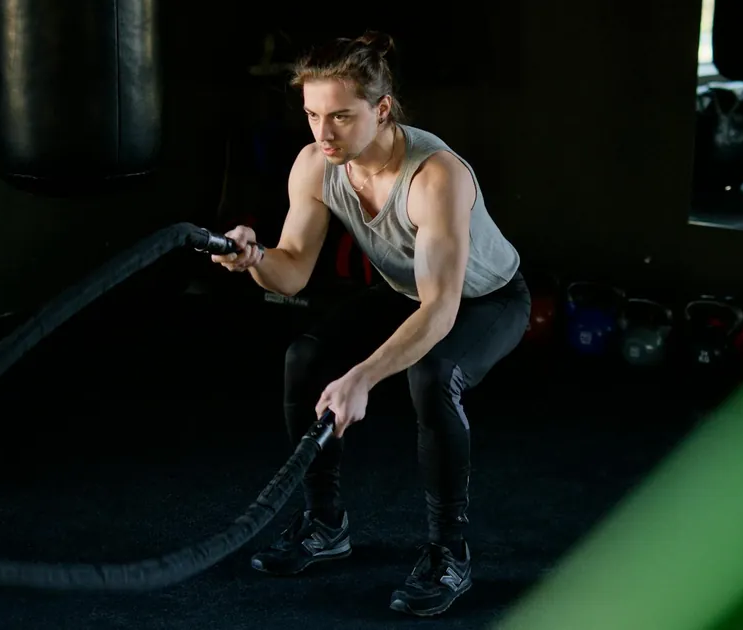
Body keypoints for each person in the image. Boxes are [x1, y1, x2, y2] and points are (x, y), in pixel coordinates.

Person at [210, 31, 531, 617]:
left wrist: (363, 377)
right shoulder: (316, 165)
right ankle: (325, 525)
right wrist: (254, 260)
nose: (322, 133)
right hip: (406, 291)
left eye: (339, 116)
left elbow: (440, 309)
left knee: (433, 376)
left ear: (381, 109)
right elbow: (292, 275)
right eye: (311, 115)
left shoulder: (436, 175)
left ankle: (448, 554)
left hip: (488, 301)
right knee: (303, 358)